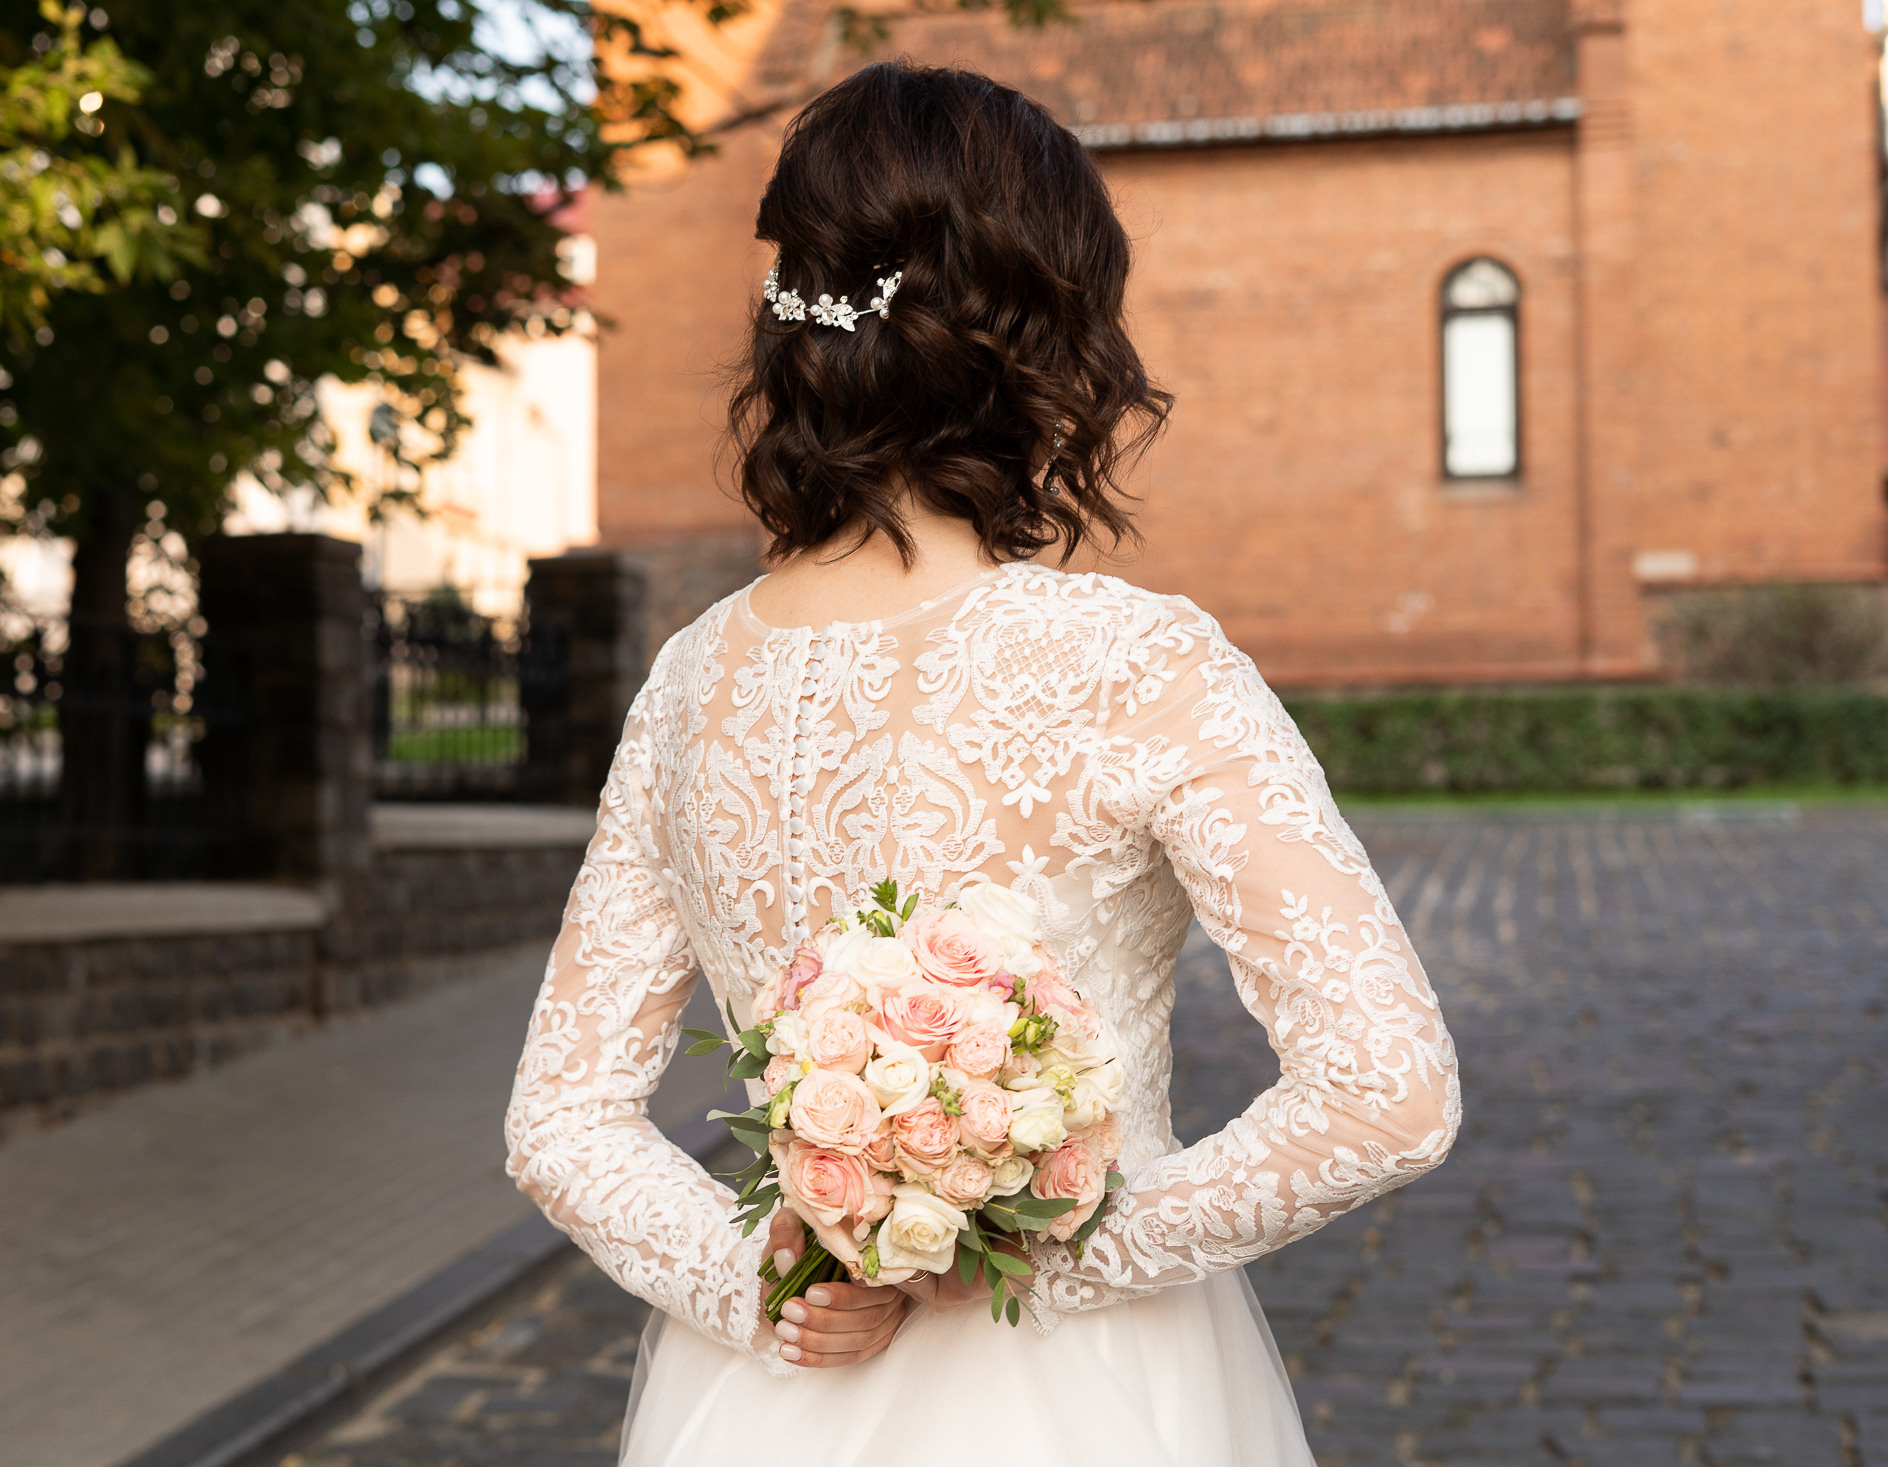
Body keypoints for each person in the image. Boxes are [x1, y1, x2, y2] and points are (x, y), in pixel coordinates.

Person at [505, 60, 1461, 1465]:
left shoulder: (687, 682)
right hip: (1080, 1400)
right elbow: (1390, 1091)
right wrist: (1043, 1258)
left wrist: (767, 1275)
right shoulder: (1138, 663)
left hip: (766, 1404)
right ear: (1044, 329)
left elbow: (561, 1124)